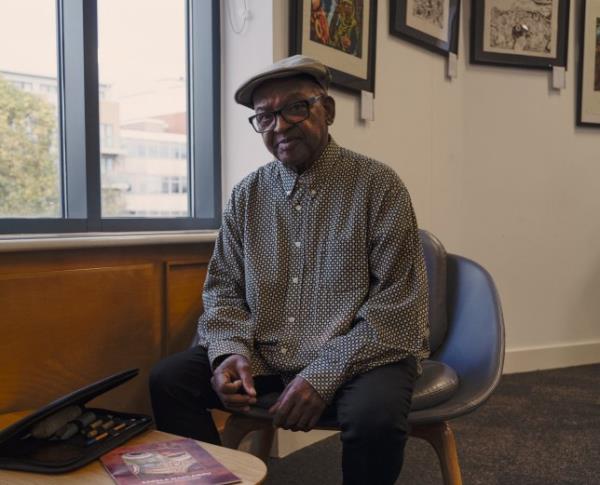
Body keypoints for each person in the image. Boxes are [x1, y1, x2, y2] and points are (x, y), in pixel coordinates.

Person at [149, 55, 430, 485]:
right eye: (264, 116)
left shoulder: (379, 186)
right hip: (266, 354)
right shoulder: (246, 196)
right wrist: (230, 353)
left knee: (375, 420)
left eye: (296, 107)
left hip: (362, 357)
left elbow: (399, 308)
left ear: (328, 111)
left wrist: (321, 374)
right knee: (169, 381)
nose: (279, 125)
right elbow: (223, 290)